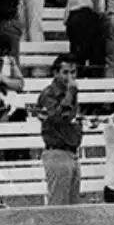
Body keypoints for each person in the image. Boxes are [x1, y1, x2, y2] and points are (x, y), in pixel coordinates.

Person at [35, 55, 81, 206]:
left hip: (71, 152)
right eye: (65, 72)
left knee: (73, 204)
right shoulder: (48, 94)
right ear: (55, 73)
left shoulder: (71, 94)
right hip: (57, 152)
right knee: (59, 205)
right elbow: (57, 117)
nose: (70, 77)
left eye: (73, 72)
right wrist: (70, 94)